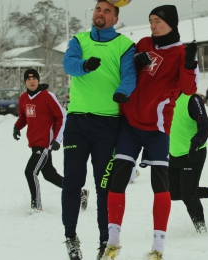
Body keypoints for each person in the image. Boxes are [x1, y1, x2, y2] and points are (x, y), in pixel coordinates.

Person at [102, 5, 198, 260]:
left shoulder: (182, 52)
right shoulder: (143, 43)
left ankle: (158, 247)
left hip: (157, 128)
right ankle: (112, 243)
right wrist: (134, 60)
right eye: (151, 21)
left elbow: (188, 90)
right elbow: (126, 72)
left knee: (160, 185)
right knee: (118, 180)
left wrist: (189, 64)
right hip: (130, 124)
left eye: (158, 21)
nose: (153, 26)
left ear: (171, 24)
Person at [61, 0, 136, 259]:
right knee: (72, 181)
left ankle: (105, 242)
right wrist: (83, 66)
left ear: (115, 18)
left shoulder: (124, 45)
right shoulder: (79, 40)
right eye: (97, 9)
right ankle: (70, 237)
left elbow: (130, 75)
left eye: (106, 11)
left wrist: (122, 92)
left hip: (108, 125)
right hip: (77, 123)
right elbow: (68, 63)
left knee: (105, 186)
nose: (100, 14)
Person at [13, 69, 90, 212]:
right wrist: (17, 127)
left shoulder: (47, 96)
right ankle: (80, 193)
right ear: (25, 82)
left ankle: (36, 206)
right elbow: (23, 116)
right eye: (28, 79)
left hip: (44, 143)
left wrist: (57, 139)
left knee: (30, 172)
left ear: (38, 80)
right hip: (34, 141)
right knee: (49, 175)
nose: (31, 81)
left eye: (34, 78)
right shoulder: (23, 98)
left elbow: (62, 117)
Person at [168, 92, 208, 234]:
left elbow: (205, 126)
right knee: (172, 193)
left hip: (193, 153)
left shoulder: (192, 98)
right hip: (174, 153)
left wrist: (196, 143)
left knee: (188, 195)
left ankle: (201, 231)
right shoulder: (167, 96)